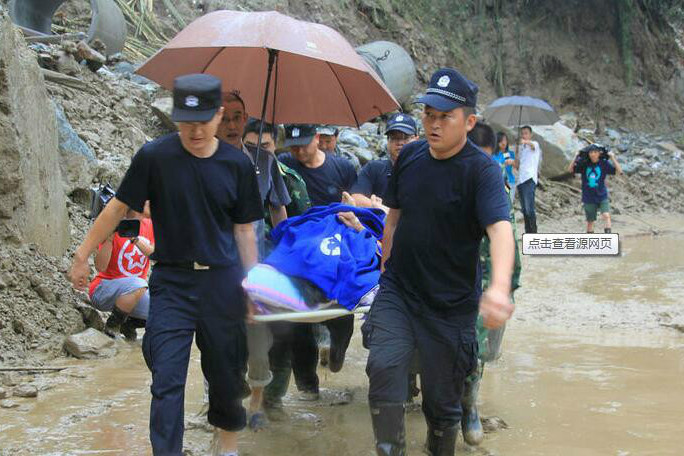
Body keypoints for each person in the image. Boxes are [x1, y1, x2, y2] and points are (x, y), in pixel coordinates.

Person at [69, 74, 263, 456]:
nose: (194, 130)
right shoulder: (155, 157)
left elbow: (245, 233)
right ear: (175, 118)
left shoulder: (236, 165)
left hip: (223, 282)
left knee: (226, 373)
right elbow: (117, 207)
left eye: (203, 121)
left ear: (219, 115)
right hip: (172, 281)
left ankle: (227, 448)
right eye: (185, 122)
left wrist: (253, 288)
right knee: (167, 376)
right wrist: (82, 253)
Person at [363, 68, 515, 456]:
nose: (433, 124)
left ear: (469, 121)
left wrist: (498, 289)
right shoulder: (411, 155)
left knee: (443, 404)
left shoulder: (482, 173)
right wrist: (385, 261)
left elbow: (500, 230)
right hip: (401, 290)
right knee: (383, 369)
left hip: (450, 307)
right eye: (429, 114)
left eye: (444, 116)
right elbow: (394, 215)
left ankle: (439, 445)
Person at [215, 97, 291, 431]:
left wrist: (287, 255)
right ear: (215, 120)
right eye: (225, 118)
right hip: (215, 270)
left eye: (237, 118)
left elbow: (278, 210)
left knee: (259, 344)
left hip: (255, 267)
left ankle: (257, 403)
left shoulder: (264, 161)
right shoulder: (205, 162)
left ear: (246, 119)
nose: (232, 125)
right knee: (218, 342)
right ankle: (220, 404)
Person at [279, 124, 358, 375]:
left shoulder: (341, 167)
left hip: (335, 253)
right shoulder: (283, 166)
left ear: (316, 138)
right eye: (293, 147)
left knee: (342, 315)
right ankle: (308, 391)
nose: (299, 152)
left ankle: (336, 353)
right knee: (299, 325)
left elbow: (356, 206)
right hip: (299, 253)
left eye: (303, 144)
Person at [465, 121, 523, 446]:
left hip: (484, 280)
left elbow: (507, 237)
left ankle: (469, 406)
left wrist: (507, 286)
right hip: (447, 278)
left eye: (487, 160)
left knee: (476, 349)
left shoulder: (496, 187)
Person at [89, 202, 154, 341]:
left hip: (135, 292)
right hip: (103, 290)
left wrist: (134, 238)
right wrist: (110, 238)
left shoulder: (151, 225)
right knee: (139, 283)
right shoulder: (114, 223)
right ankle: (112, 325)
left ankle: (129, 324)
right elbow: (100, 267)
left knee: (168, 310)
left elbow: (156, 255)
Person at [348, 113, 419, 213]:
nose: (400, 143)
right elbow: (355, 198)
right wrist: (381, 209)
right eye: (394, 137)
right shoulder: (374, 168)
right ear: (388, 141)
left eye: (405, 137)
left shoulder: (425, 170)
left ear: (416, 139)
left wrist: (390, 213)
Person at [568, 145, 623, 233]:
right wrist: (575, 156)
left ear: (599, 153)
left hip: (601, 195)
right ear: (588, 154)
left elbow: (619, 171)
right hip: (588, 197)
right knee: (590, 222)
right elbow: (570, 170)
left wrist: (612, 157)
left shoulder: (603, 163)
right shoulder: (584, 164)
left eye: (595, 152)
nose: (593, 154)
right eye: (591, 152)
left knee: (606, 215)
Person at [514, 125, 542, 233]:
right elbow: (517, 165)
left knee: (529, 209)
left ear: (530, 134)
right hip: (520, 180)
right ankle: (528, 231)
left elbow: (531, 145)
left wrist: (523, 142)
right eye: (522, 133)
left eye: (526, 133)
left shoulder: (535, 144)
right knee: (524, 209)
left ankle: (533, 233)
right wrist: (517, 151)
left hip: (529, 179)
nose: (524, 135)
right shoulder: (522, 148)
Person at [493, 132, 516, 199]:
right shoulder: (494, 155)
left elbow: (517, 166)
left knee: (508, 202)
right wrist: (503, 164)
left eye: (505, 140)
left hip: (509, 182)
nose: (504, 143)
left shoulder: (510, 153)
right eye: (501, 141)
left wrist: (514, 162)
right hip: (497, 183)